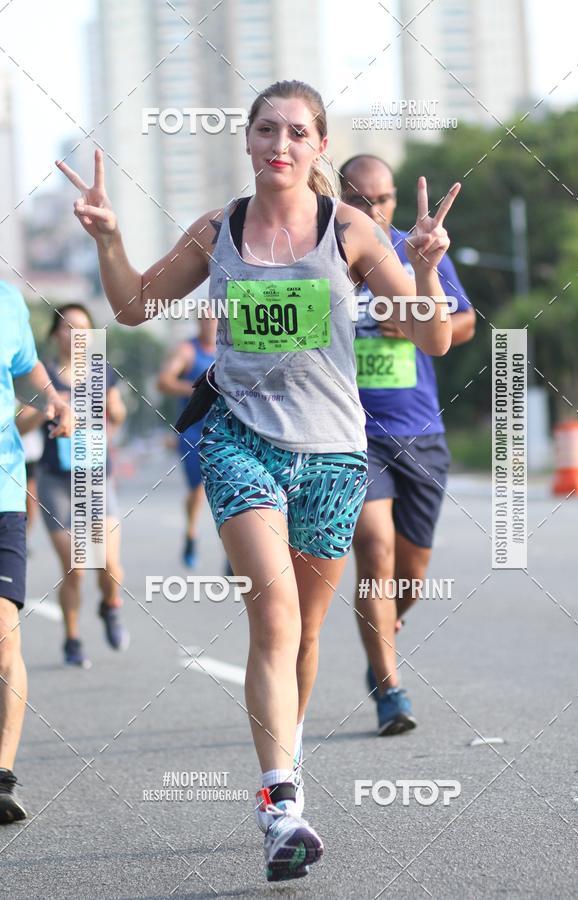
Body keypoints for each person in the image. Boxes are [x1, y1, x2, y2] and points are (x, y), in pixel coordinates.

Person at [57, 79, 460, 882]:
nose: (281, 144)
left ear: (318, 148)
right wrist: (108, 236)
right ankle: (281, 804)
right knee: (272, 616)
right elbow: (135, 305)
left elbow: (435, 338)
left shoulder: (348, 231)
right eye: (267, 130)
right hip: (242, 442)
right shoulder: (219, 230)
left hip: (337, 454)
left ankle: (288, 763)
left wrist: (419, 268)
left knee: (306, 634)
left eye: (297, 133)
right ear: (247, 142)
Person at [339, 154, 476, 736]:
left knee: (411, 578)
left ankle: (380, 647)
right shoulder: (328, 253)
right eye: (361, 198)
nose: (374, 209)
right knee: (373, 549)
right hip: (351, 432)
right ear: (338, 194)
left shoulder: (416, 248)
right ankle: (390, 688)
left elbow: (464, 323)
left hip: (421, 430)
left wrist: (420, 318)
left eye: (383, 199)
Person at [18, 304, 129, 667]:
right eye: (67, 327)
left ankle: (111, 605)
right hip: (55, 480)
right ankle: (73, 638)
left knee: (109, 566)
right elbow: (20, 427)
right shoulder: (43, 377)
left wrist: (112, 411)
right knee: (76, 568)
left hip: (95, 476)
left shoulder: (102, 373)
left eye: (83, 328)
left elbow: (118, 413)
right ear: (55, 334)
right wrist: (51, 406)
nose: (75, 334)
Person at [0, 280, 71, 823]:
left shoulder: (8, 300)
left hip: (4, 492)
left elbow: (28, 369)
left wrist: (53, 399)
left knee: (4, 641)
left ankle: (1, 777)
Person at [157, 316, 217, 567]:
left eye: (216, 319)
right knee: (196, 491)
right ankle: (192, 533)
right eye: (205, 319)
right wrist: (199, 390)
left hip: (225, 431)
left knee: (231, 489)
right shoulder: (187, 350)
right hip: (193, 431)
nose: (211, 324)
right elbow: (163, 382)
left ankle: (233, 552)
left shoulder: (232, 348)